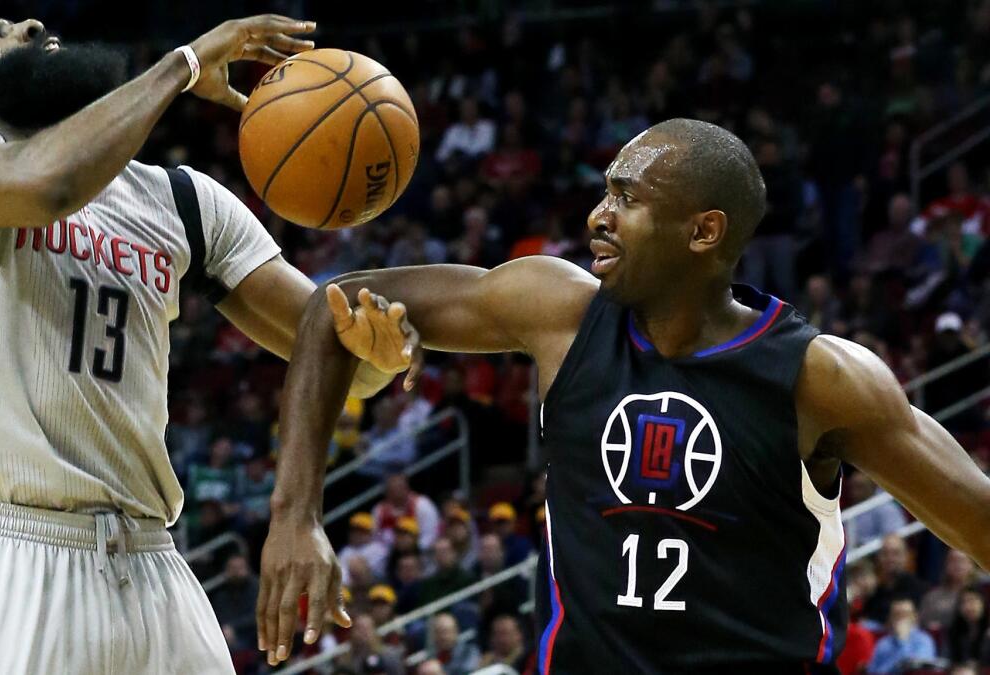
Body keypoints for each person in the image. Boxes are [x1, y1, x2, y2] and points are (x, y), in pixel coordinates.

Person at [258, 118, 990, 671]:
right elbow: (331, 306)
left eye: (626, 198)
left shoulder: (821, 377)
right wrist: (296, 515)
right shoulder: (557, 313)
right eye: (605, 190)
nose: (596, 216)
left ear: (704, 231)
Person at [0, 14, 420, 674]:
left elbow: (333, 354)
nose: (29, 22)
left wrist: (375, 355)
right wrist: (183, 66)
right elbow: (45, 185)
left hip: (150, 560)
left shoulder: (180, 200)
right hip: (4, 550)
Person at [867, 598, 936, 674]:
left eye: (905, 614)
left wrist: (902, 641)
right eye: (897, 614)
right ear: (890, 618)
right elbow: (872, 671)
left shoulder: (924, 640)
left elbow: (915, 669)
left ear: (914, 617)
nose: (901, 618)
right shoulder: (883, 642)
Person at [919, 549, 978, 629]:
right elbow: (923, 623)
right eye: (953, 560)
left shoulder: (981, 594)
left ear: (971, 565)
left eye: (962, 561)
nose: (958, 565)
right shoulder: (932, 597)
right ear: (946, 565)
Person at [339, 512, 390, 585]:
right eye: (354, 530)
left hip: (372, 585)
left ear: (370, 533)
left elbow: (365, 572)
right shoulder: (346, 550)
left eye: (362, 531)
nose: (357, 534)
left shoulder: (378, 549)